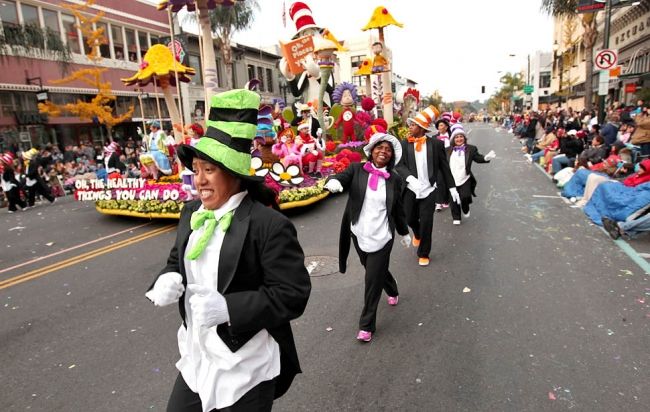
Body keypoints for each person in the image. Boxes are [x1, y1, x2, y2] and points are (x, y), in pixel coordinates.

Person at [145, 89, 311, 412]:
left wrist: (228, 308)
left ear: (233, 173)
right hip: (196, 359)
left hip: (245, 368)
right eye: (196, 169)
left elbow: (293, 293)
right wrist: (165, 279)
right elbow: (174, 260)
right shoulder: (191, 213)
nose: (199, 180)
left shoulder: (268, 224)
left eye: (209, 170)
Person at [324, 132, 410, 342]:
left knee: (371, 280)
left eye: (388, 150)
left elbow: (397, 208)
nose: (383, 152)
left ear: (392, 156)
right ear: (371, 150)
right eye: (379, 147)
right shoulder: (357, 170)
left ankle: (366, 325)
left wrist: (404, 232)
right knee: (374, 271)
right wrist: (334, 181)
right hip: (359, 232)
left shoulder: (395, 179)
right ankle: (391, 286)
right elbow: (342, 177)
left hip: (382, 235)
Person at [395, 106, 459, 266]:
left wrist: (452, 188)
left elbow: (444, 167)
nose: (410, 127)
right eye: (410, 125)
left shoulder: (436, 145)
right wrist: (410, 178)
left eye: (413, 125)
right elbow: (399, 165)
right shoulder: (404, 144)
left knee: (427, 221)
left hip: (429, 190)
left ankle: (423, 253)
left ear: (422, 128)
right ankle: (417, 233)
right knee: (409, 218)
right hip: (410, 188)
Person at [445, 125, 495, 225]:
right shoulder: (446, 150)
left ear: (464, 138)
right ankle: (456, 217)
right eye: (456, 137)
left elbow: (478, 158)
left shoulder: (471, 149)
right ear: (453, 139)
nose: (459, 139)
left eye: (461, 136)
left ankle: (465, 207)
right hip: (451, 179)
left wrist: (486, 158)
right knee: (453, 199)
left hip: (465, 178)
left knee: (465, 197)